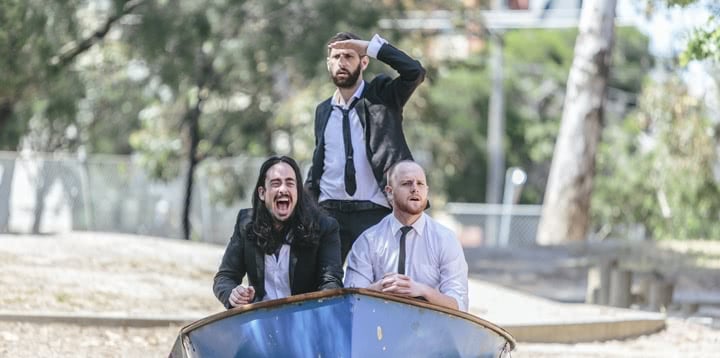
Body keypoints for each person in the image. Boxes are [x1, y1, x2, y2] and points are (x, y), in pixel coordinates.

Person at [306, 32, 426, 261]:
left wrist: (370, 46)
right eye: (336, 57)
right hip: (329, 211)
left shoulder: (383, 97)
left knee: (378, 284)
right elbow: (320, 162)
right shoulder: (323, 110)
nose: (342, 62)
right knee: (323, 285)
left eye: (349, 56)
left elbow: (415, 72)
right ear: (328, 63)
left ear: (364, 61)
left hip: (373, 212)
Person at [213, 156, 343, 309]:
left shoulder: (325, 227)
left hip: (305, 321)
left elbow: (331, 283)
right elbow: (225, 277)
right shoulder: (245, 223)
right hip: (260, 323)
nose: (283, 189)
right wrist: (233, 295)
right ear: (262, 193)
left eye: (290, 183)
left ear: (298, 192)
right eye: (275, 184)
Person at [344, 161, 469, 311]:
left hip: (431, 329)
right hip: (379, 328)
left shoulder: (445, 240)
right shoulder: (367, 241)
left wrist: (422, 291)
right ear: (390, 192)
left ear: (426, 191)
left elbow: (460, 305)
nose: (415, 189)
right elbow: (350, 303)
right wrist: (380, 288)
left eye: (420, 184)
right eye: (407, 183)